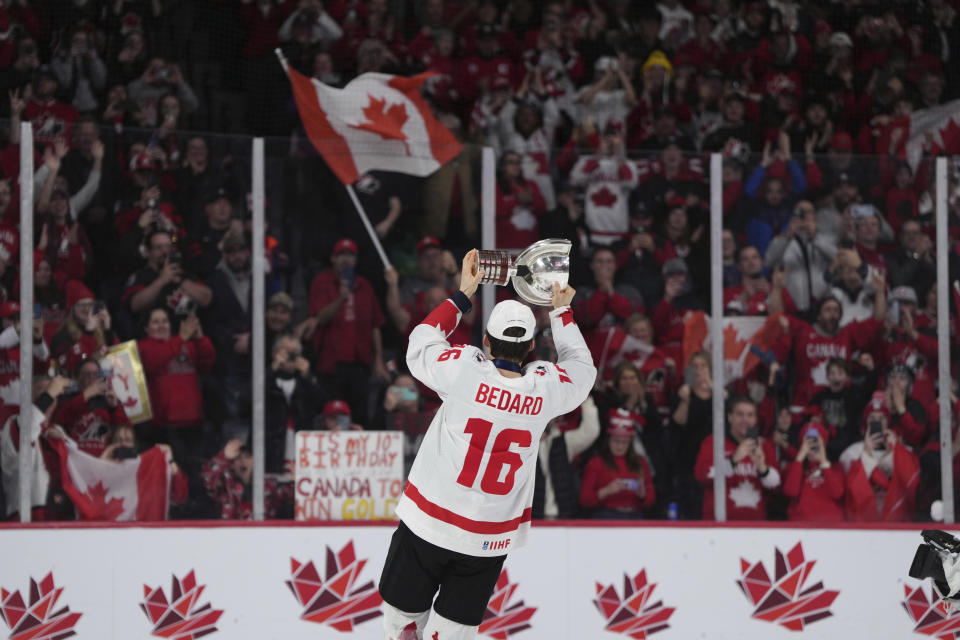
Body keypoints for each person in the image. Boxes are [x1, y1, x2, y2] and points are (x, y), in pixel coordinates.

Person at [379, 250, 594, 640]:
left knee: (401, 628)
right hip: (486, 539)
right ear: (531, 349)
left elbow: (420, 342)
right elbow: (581, 368)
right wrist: (562, 313)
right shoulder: (546, 388)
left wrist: (463, 294)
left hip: (429, 522)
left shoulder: (464, 370)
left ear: (485, 342)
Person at [694, 396, 781, 520]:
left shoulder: (764, 446)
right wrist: (733, 459)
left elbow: (776, 486)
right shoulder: (714, 442)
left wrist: (762, 467)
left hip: (756, 526)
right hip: (720, 525)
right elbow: (702, 475)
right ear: (730, 417)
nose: (745, 419)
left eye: (750, 415)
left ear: (756, 419)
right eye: (740, 414)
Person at [579, 411, 656, 519]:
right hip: (606, 516)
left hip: (635, 516)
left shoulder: (640, 462)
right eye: (616, 441)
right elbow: (584, 500)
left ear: (630, 443)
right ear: (608, 440)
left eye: (625, 442)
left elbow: (651, 499)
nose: (620, 446)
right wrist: (607, 491)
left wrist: (642, 494)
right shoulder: (596, 463)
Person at [534, 395, 601, 519]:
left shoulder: (564, 441)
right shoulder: (523, 442)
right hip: (531, 518)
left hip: (562, 515)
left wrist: (586, 399)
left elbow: (590, 431)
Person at [782, 422, 845, 522]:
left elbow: (838, 493)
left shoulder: (835, 467)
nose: (812, 443)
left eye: (816, 440)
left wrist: (824, 462)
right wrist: (800, 456)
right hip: (801, 523)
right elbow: (791, 492)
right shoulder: (794, 466)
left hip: (830, 524)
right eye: (807, 440)